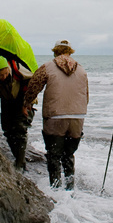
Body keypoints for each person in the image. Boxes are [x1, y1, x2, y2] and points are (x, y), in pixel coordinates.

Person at [23, 39, 88, 190]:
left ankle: (56, 190)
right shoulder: (82, 70)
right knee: (69, 155)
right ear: (70, 52)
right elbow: (86, 95)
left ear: (55, 51)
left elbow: (33, 87)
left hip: (55, 117)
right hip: (77, 117)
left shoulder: (47, 67)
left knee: (54, 155)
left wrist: (27, 104)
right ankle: (70, 189)